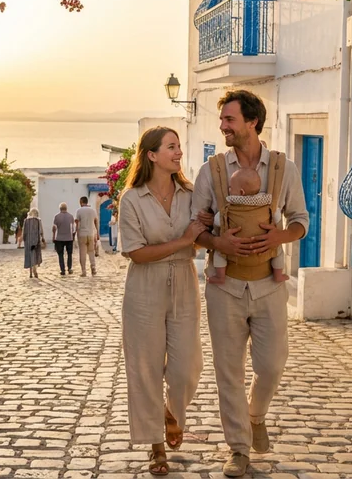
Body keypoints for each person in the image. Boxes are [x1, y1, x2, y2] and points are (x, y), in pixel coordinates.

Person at [191, 90, 309, 477]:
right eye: (222, 120)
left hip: (269, 287)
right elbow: (197, 227)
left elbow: (301, 221)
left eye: (229, 120)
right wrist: (216, 242)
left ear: (252, 122)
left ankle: (256, 416)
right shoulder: (212, 171)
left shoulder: (282, 169)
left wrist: (279, 238)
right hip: (224, 287)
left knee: (272, 366)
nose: (223, 126)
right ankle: (238, 449)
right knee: (228, 371)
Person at [118, 126, 206, 476]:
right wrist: (185, 239)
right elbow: (136, 253)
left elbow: (200, 238)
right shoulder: (131, 199)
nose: (179, 152)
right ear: (151, 155)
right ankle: (156, 447)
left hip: (184, 281)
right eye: (171, 147)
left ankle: (171, 411)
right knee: (145, 369)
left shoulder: (190, 193)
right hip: (144, 288)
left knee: (188, 366)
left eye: (179, 146)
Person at [209, 167, 288, 284]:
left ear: (241, 192)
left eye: (231, 187)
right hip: (264, 253)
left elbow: (217, 221)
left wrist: (212, 223)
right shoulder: (268, 205)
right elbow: (277, 216)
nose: (229, 189)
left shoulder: (229, 208)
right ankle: (278, 275)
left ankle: (220, 276)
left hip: (235, 254)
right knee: (278, 252)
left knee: (220, 253)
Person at [75, 196, 100, 276]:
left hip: (82, 234)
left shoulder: (79, 211)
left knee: (82, 253)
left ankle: (83, 271)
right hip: (90, 233)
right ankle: (93, 268)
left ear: (81, 202)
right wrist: (97, 233)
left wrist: (76, 233)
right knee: (91, 252)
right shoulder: (92, 210)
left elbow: (77, 223)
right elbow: (96, 221)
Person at [52, 202, 76, 276]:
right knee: (69, 254)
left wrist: (53, 236)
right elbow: (72, 228)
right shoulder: (71, 216)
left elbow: (54, 228)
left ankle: (62, 270)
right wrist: (73, 236)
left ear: (60, 209)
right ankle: (69, 268)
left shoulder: (57, 216)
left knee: (60, 254)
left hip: (59, 238)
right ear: (66, 208)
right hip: (69, 238)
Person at [22, 209, 45, 278]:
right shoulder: (38, 221)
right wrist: (42, 238)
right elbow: (41, 231)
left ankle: (30, 272)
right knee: (35, 255)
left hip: (28, 241)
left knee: (29, 255)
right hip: (36, 241)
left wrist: (24, 239)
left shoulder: (26, 221)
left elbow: (24, 231)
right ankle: (35, 270)